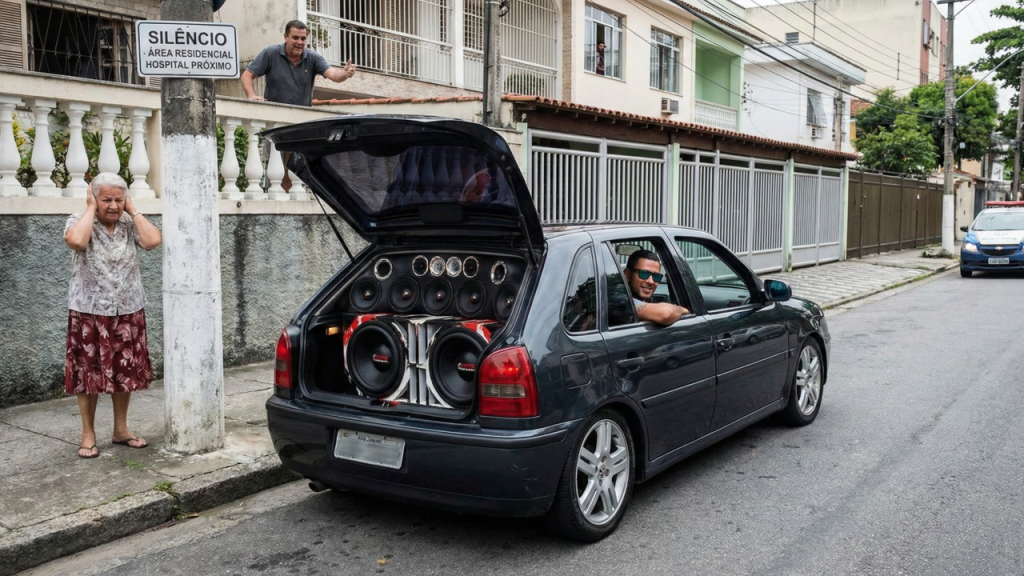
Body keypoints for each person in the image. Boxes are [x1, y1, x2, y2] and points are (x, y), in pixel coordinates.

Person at [63, 173, 162, 459]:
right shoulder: (79, 222)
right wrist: (91, 208)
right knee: (88, 374)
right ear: (94, 198)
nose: (113, 206)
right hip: (89, 312)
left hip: (127, 310)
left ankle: (121, 430)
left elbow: (153, 240)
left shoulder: (129, 226)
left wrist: (134, 210)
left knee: (125, 372)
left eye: (118, 199)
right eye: (106, 199)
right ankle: (88, 433)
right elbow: (77, 242)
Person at [240, 20, 357, 106]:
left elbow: (334, 75)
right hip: (273, 116)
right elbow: (247, 75)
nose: (300, 42)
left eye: (303, 38)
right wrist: (252, 95)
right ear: (286, 37)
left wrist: (345, 73)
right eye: (295, 38)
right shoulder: (270, 53)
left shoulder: (313, 58)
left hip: (300, 119)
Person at [624, 250, 689, 325]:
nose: (651, 281)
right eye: (644, 274)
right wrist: (681, 310)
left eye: (656, 276)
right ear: (627, 275)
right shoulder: (619, 299)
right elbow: (665, 314)